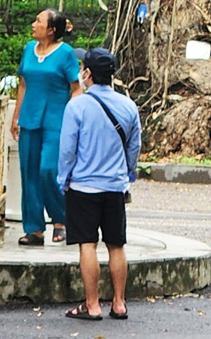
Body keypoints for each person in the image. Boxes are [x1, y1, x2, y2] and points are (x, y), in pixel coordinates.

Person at [56, 47, 140, 322]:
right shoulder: (128, 106)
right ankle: (119, 303)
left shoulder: (77, 106)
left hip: (83, 187)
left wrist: (63, 179)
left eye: (83, 68)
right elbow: (133, 148)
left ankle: (92, 305)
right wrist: (126, 175)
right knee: (116, 245)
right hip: (114, 187)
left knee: (88, 245)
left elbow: (68, 149)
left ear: (88, 74)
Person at [11, 8, 79, 245]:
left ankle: (61, 220)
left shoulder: (66, 53)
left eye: (38, 21)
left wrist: (75, 118)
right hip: (29, 118)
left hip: (56, 121)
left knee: (48, 170)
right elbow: (23, 83)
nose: (33, 24)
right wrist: (16, 116)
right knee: (28, 173)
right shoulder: (29, 49)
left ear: (51, 30)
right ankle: (34, 229)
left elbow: (76, 87)